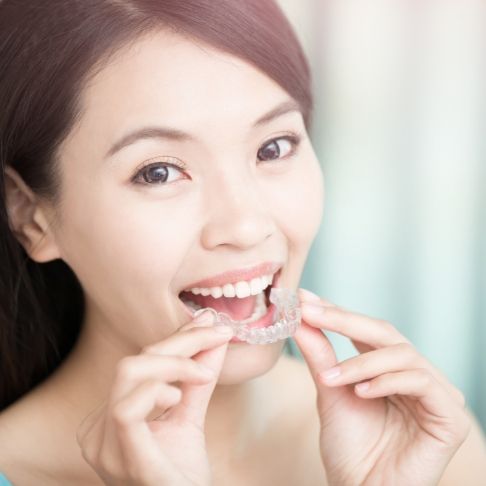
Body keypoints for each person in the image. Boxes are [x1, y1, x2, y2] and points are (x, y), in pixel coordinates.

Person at [0, 1, 485, 484]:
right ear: (32, 218)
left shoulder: (422, 444)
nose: (247, 226)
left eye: (273, 148)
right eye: (159, 172)